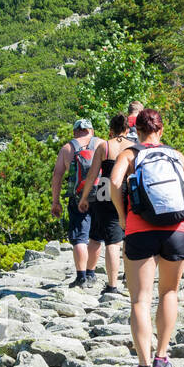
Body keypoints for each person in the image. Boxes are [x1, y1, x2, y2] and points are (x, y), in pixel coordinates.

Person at [109, 108, 184, 367]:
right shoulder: (176, 155)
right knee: (169, 291)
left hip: (140, 229)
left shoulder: (130, 154)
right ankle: (162, 358)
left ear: (137, 131)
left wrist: (122, 217)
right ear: (161, 130)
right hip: (177, 229)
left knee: (140, 299)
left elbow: (115, 183)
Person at [75, 114, 131, 295]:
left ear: (111, 130)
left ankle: (111, 284)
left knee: (106, 239)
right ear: (127, 130)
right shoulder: (133, 147)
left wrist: (84, 197)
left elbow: (92, 175)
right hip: (127, 191)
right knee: (124, 237)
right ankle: (129, 278)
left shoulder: (104, 146)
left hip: (104, 191)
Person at [49, 118, 101, 288]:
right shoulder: (102, 144)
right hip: (100, 196)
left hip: (78, 197)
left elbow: (57, 176)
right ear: (91, 131)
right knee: (95, 237)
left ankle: (81, 277)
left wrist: (55, 202)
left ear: (75, 132)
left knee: (80, 238)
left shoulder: (68, 148)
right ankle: (92, 273)